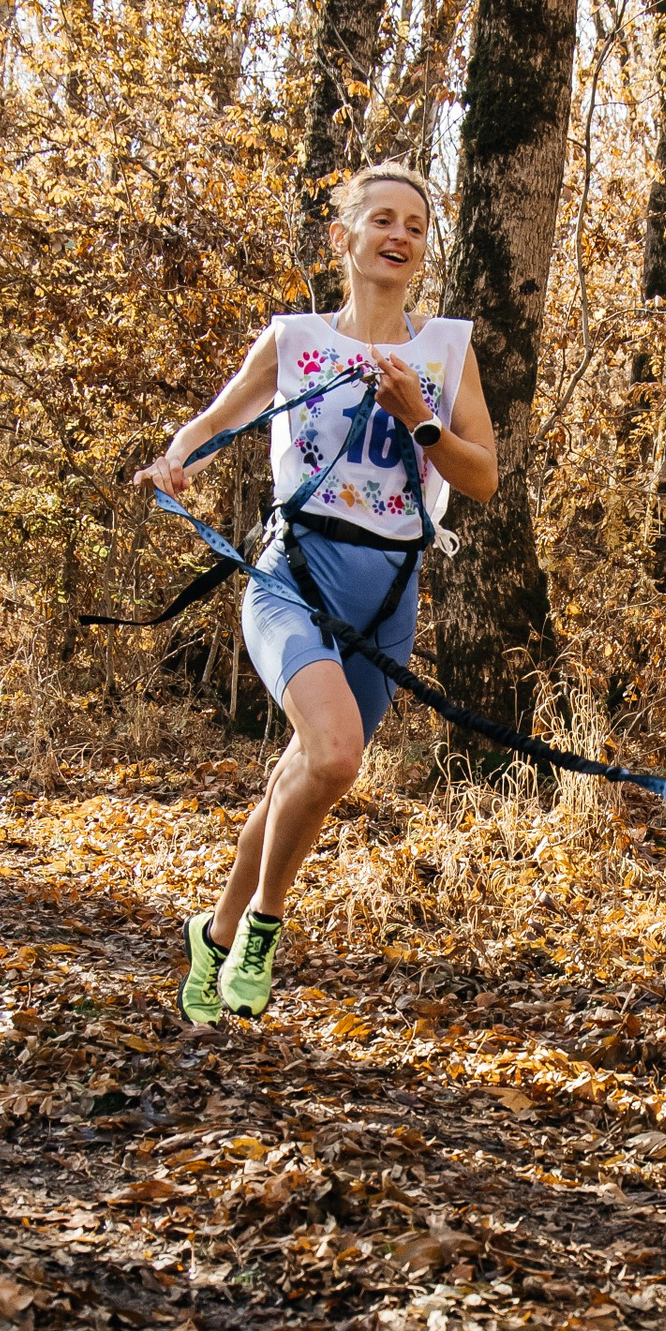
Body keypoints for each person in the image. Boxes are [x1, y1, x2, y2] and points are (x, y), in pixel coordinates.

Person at [138, 161, 496, 1023]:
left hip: (389, 592)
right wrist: (173, 459)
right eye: (382, 220)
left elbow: (481, 479)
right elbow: (218, 418)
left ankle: (215, 934)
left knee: (307, 769)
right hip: (293, 573)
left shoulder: (447, 351)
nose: (400, 236)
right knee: (335, 755)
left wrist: (423, 416)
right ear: (345, 238)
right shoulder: (297, 340)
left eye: (415, 224)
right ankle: (265, 922)